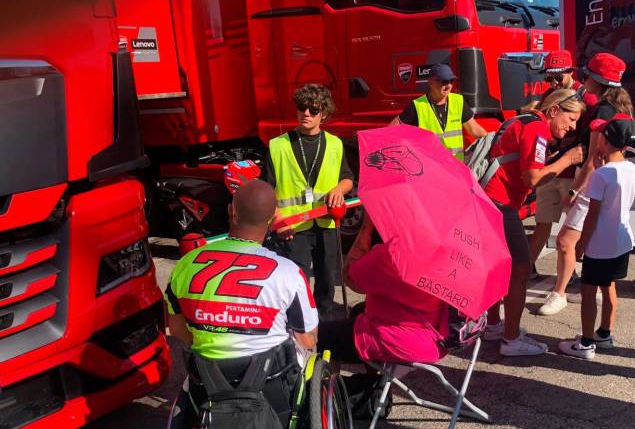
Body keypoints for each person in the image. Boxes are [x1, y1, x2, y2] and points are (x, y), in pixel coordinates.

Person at [166, 180, 319, 427]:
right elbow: (308, 339)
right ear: (271, 221)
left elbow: (178, 330)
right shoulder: (289, 273)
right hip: (273, 392)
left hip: (206, 386)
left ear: (231, 212)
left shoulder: (185, 265)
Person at [481, 89, 585, 356]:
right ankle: (511, 339)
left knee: (497, 267)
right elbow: (534, 179)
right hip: (499, 203)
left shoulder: (523, 120)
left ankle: (494, 325)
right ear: (554, 111)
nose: (573, 127)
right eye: (571, 119)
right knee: (520, 267)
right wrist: (566, 160)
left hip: (489, 201)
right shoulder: (536, 128)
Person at [538, 52, 635, 316]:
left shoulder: (602, 110)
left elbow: (591, 159)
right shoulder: (619, 106)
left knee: (565, 242)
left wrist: (573, 190)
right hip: (611, 179)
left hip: (593, 182)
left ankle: (559, 294)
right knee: (584, 240)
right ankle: (586, 292)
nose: (583, 78)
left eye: (588, 74)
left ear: (596, 79)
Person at [262, 83, 354, 315]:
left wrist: (338, 190)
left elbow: (348, 179)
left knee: (326, 279)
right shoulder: (278, 146)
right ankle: (299, 326)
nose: (306, 114)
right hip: (292, 227)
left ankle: (324, 321)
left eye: (313, 110)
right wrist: (277, 221)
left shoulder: (335, 144)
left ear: (323, 114)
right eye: (302, 108)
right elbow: (265, 191)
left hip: (326, 223)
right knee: (295, 281)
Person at [316, 214, 449, 365]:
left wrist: (367, 227)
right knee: (359, 310)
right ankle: (373, 381)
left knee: (316, 337)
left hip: (405, 340)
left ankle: (364, 385)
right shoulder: (446, 250)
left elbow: (350, 277)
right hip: (438, 334)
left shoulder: (394, 254)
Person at [559, 114, 635, 359]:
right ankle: (605, 333)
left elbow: (592, 216)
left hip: (600, 244)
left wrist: (581, 246)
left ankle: (585, 343)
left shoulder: (600, 175)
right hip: (621, 241)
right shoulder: (630, 167)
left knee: (588, 292)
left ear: (606, 139)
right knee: (609, 287)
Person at [528, 49, 597, 282]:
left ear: (571, 72)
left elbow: (589, 140)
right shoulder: (549, 98)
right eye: (550, 77)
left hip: (573, 174)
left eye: (559, 76)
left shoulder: (587, 98)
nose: (554, 82)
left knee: (574, 229)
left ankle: (576, 275)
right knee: (542, 224)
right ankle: (527, 269)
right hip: (550, 171)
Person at [390, 63, 487, 160]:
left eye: (451, 81)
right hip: (433, 169)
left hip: (456, 167)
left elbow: (474, 129)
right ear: (431, 82)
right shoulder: (417, 105)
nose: (448, 85)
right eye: (444, 81)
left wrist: (492, 142)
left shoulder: (458, 101)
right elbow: (391, 130)